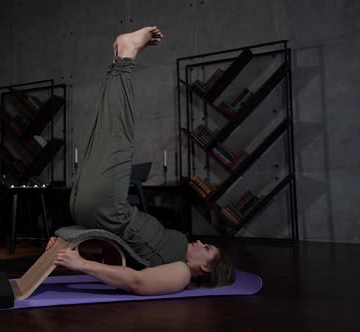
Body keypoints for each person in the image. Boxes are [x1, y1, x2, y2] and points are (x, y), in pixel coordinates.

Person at [46, 26, 235, 295]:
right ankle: (120, 59)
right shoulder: (180, 253)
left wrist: (82, 264)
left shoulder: (181, 272)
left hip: (108, 209)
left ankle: (126, 55)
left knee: (118, 134)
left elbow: (137, 282)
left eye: (206, 249)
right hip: (94, 211)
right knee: (106, 127)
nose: (200, 242)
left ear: (206, 268)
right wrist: (70, 238)